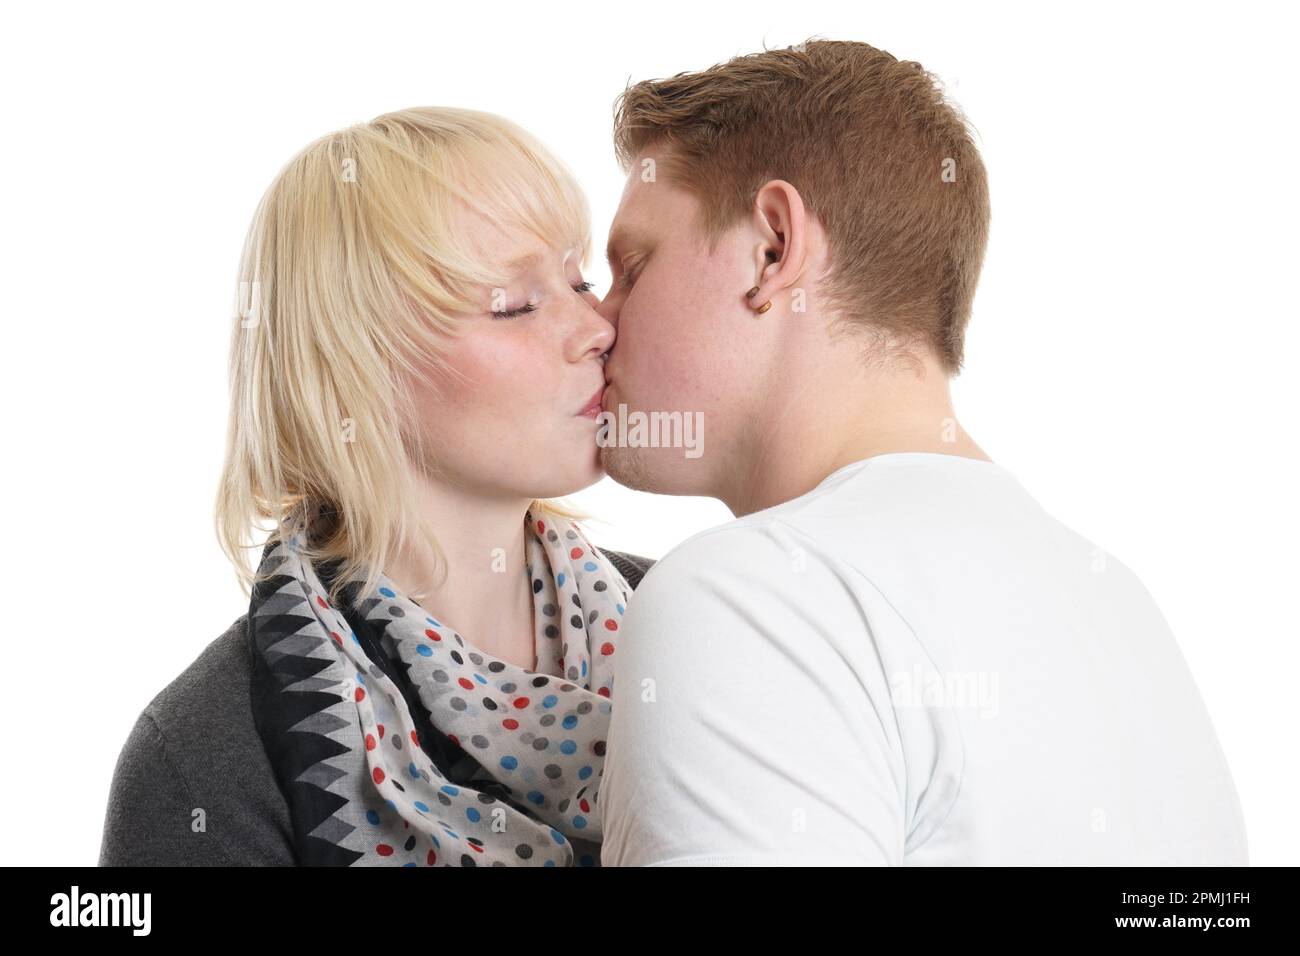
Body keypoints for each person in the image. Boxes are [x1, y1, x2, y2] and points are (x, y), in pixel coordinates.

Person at [595, 40, 1249, 866]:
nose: (598, 320)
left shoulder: (754, 596)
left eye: (632, 267)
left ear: (772, 247)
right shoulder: (1122, 609)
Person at [99, 107, 652, 867]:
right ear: (355, 372)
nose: (597, 325)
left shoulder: (698, 624)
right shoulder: (205, 759)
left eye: (579, 280)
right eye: (516, 303)